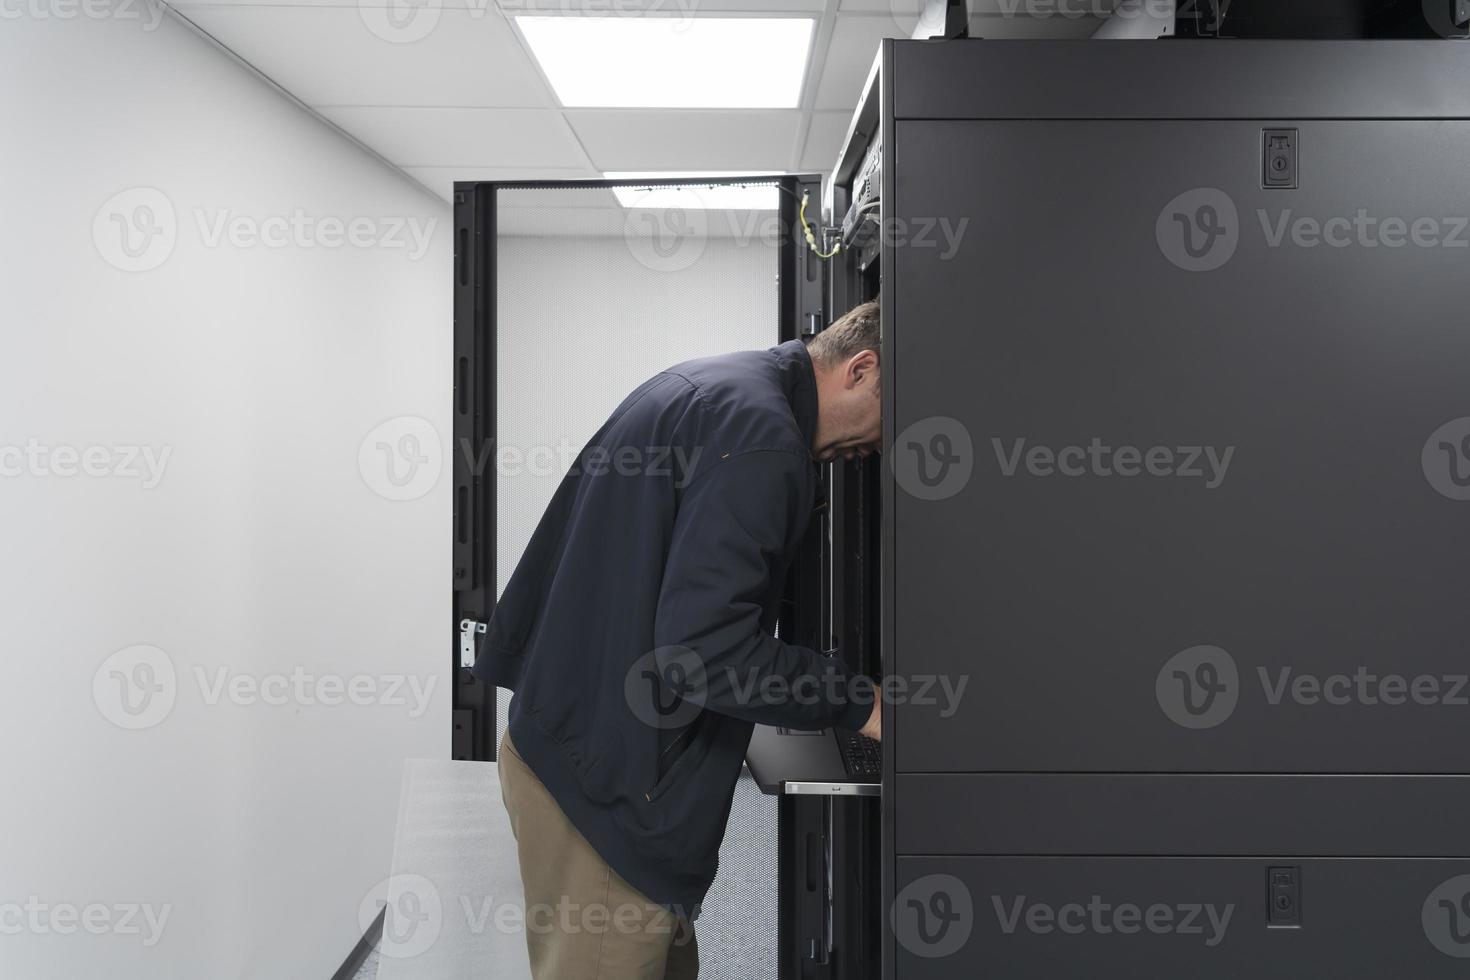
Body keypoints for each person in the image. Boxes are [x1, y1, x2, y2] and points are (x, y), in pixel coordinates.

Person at [476, 301, 885, 979]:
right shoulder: (762, 438)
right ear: (861, 368)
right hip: (607, 786)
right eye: (886, 421)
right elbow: (704, 653)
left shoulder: (719, 390)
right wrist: (859, 703)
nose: (878, 448)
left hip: (580, 743)